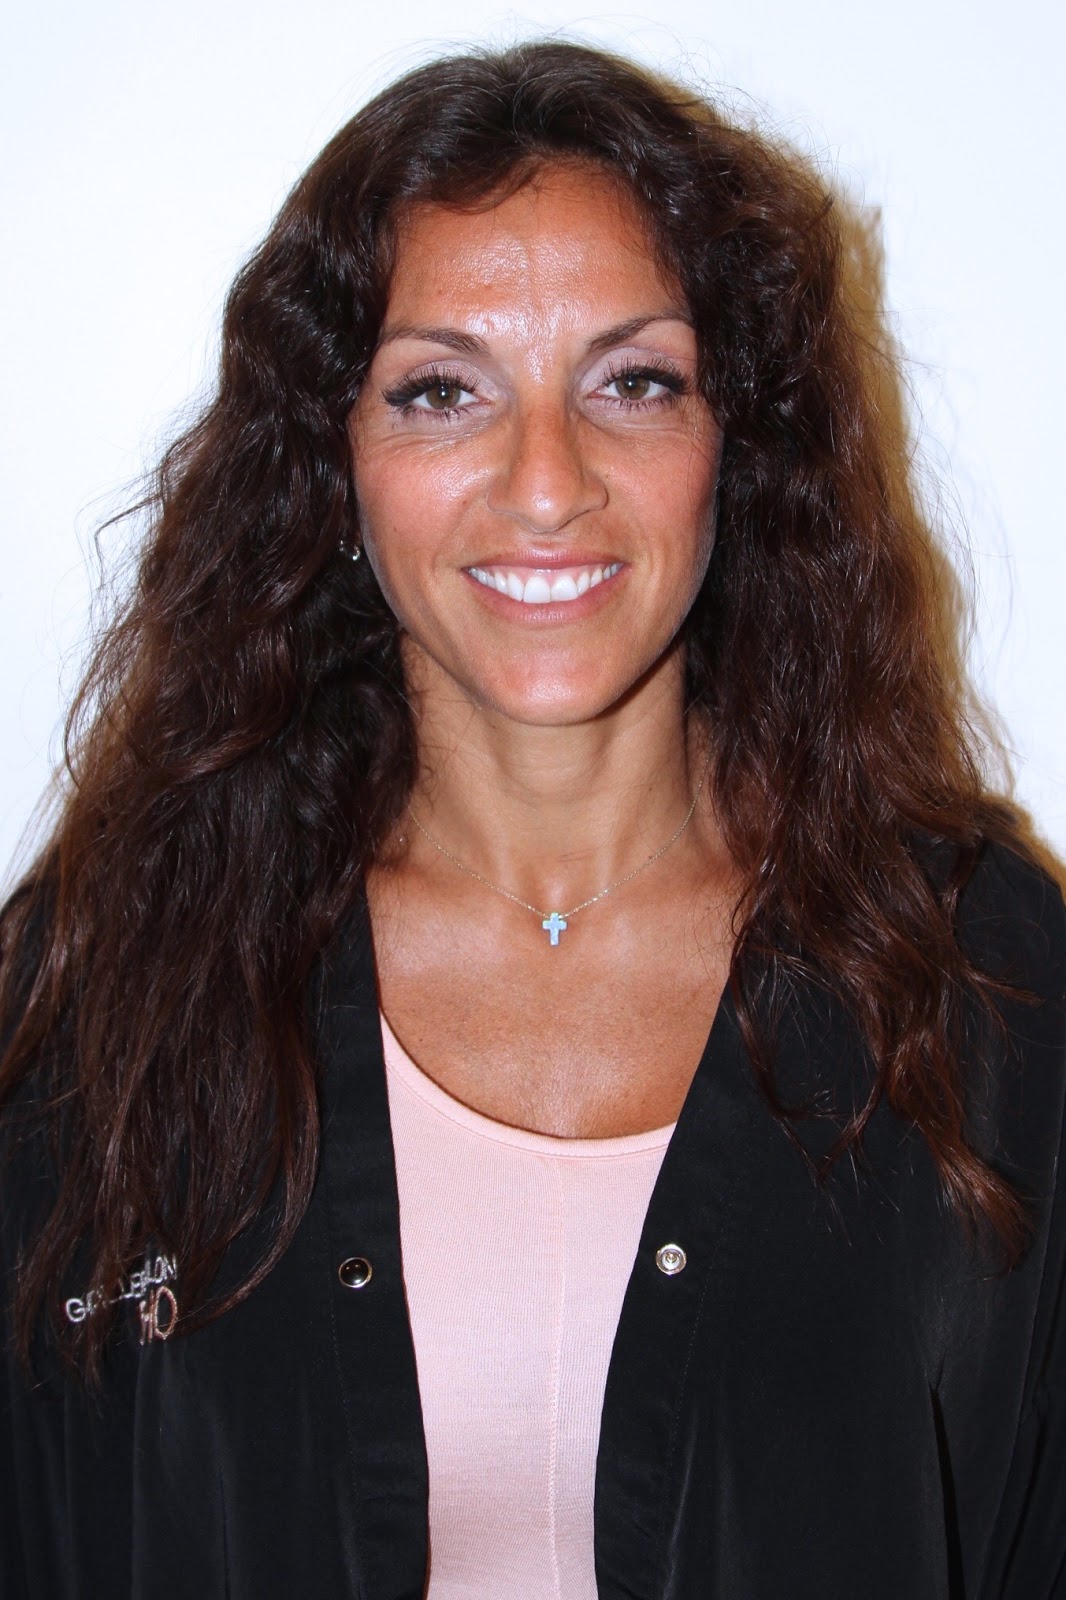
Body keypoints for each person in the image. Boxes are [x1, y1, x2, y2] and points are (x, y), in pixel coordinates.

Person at [1, 39, 1063, 1600]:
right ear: (334, 462)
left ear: (735, 444)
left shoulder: (977, 969)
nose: (547, 482)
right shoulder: (112, 983)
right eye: (442, 391)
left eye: (633, 382)